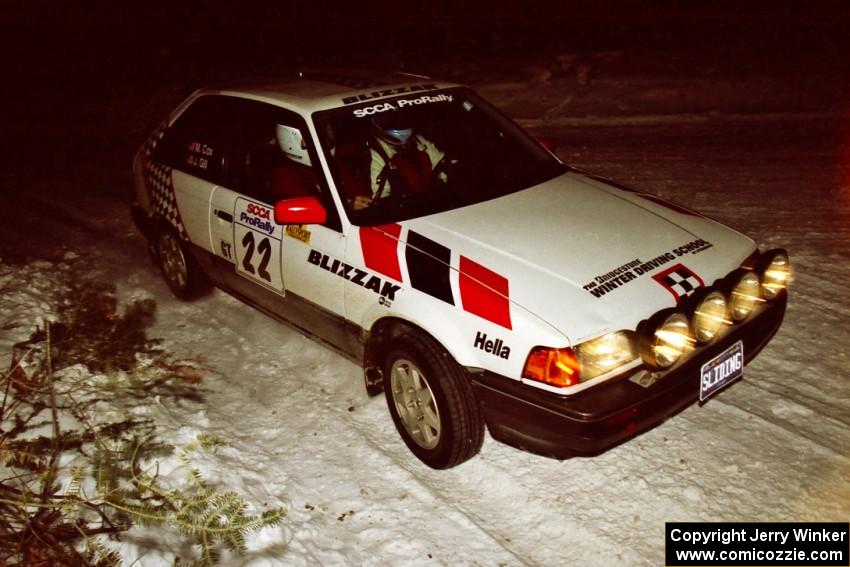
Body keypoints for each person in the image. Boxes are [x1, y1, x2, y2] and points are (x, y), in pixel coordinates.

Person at [352, 112, 447, 210]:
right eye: (392, 119)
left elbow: (442, 165)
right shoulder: (372, 154)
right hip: (402, 212)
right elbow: (381, 197)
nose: (400, 123)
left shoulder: (419, 141)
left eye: (402, 118)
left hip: (435, 204)